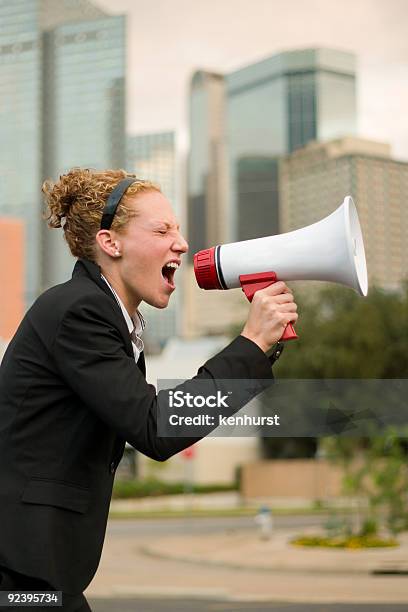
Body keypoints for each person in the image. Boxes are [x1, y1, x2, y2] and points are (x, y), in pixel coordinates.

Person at [0, 168, 298, 610]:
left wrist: (256, 350)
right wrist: (251, 345)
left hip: (37, 575)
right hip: (20, 578)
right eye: (162, 229)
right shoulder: (80, 311)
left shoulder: (107, 319)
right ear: (111, 243)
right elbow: (156, 427)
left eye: (178, 230)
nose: (180, 243)